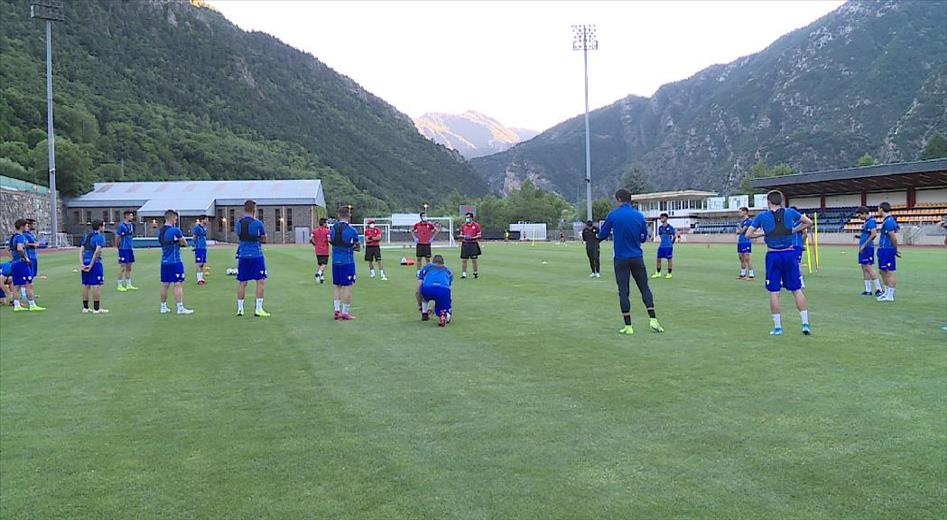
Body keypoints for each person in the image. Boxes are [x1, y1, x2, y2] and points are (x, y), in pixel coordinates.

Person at [743, 190, 813, 336]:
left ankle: (778, 327)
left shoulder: (762, 216)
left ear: (768, 202)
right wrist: (793, 230)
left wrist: (764, 233)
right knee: (796, 289)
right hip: (789, 253)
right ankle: (805, 324)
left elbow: (748, 235)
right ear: (781, 200)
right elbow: (808, 222)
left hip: (773, 254)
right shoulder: (790, 213)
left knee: (774, 291)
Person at [597, 189, 664, 335]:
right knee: (644, 288)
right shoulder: (639, 216)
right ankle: (653, 320)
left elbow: (602, 235)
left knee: (624, 292)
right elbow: (642, 237)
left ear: (619, 199)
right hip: (636, 256)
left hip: (621, 258)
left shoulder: (613, 215)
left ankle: (628, 326)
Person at [234, 199, 269, 317]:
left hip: (243, 254)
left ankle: (240, 309)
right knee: (260, 281)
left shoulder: (239, 223)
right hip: (256, 254)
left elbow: (239, 236)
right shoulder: (258, 224)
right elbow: (264, 238)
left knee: (242, 282)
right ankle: (258, 309)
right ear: (254, 209)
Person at [158, 209, 194, 315]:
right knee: (178, 284)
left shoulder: (161, 231)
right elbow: (184, 243)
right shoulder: (175, 230)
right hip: (175, 261)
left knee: (165, 284)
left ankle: (163, 307)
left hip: (164, 261)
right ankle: (180, 308)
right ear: (173, 218)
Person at [7, 219, 44, 312]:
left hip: (15, 263)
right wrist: (25, 258)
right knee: (29, 284)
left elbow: (9, 249)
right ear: (22, 226)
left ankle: (17, 305)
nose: (27, 227)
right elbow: (19, 248)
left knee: (16, 285)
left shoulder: (13, 237)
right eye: (26, 226)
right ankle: (32, 305)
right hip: (21, 263)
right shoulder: (20, 237)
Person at [330, 206, 360, 320]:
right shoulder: (352, 230)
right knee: (348, 286)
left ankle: (336, 311)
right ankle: (345, 312)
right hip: (347, 261)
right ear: (349, 215)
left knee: (337, 286)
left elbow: (331, 240)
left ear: (338, 215)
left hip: (335, 261)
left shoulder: (333, 228)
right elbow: (357, 246)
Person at [79, 219, 108, 314]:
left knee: (86, 285)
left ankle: (85, 308)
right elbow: (97, 251)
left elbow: (81, 250)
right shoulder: (100, 237)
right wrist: (91, 265)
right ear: (100, 226)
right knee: (96, 285)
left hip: (85, 261)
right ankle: (96, 308)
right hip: (95, 263)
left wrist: (82, 263)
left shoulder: (87, 236)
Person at [417, 254, 454, 327]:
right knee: (444, 306)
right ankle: (444, 315)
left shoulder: (426, 267)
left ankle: (424, 313)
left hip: (427, 289)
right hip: (443, 290)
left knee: (424, 296)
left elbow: (418, 289)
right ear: (443, 263)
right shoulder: (449, 271)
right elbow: (447, 290)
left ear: (432, 262)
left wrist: (419, 305)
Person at [854, 206, 883, 296]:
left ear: (864, 213)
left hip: (867, 247)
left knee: (869, 267)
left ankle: (879, 289)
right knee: (864, 268)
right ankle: (868, 290)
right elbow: (867, 234)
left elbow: (873, 234)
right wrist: (859, 237)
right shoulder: (867, 222)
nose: (859, 217)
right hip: (863, 247)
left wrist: (864, 245)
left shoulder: (871, 221)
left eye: (859, 215)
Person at [876, 202, 900, 302]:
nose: (878, 210)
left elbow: (893, 237)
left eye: (878, 208)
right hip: (883, 249)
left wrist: (895, 249)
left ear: (881, 209)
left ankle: (890, 295)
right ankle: (886, 292)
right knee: (882, 271)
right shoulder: (887, 220)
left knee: (889, 272)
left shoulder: (889, 221)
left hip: (887, 249)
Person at [115, 210, 139, 291]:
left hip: (129, 248)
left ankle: (129, 284)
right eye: (131, 216)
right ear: (126, 216)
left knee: (129, 267)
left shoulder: (131, 225)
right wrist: (118, 246)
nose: (132, 217)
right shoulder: (122, 226)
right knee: (122, 267)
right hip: (123, 249)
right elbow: (117, 237)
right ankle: (119, 285)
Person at [458, 212, 482, 279]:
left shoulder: (476, 225)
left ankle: (475, 273)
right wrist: (464, 237)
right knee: (464, 260)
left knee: (474, 260)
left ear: (471, 218)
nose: (467, 219)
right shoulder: (463, 225)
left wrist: (472, 238)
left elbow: (479, 235)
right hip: (465, 244)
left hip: (473, 244)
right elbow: (461, 234)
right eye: (466, 217)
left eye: (468, 217)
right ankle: (464, 274)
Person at [652, 213, 675, 279]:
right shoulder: (660, 228)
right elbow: (661, 236)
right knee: (658, 259)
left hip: (668, 246)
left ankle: (669, 273)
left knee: (669, 260)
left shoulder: (670, 228)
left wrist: (671, 243)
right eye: (661, 218)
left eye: (662, 217)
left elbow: (674, 236)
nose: (661, 219)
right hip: (661, 246)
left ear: (666, 218)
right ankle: (658, 273)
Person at [790, 206, 809, 287]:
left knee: (797, 264)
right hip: (789, 246)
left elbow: (805, 234)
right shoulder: (789, 222)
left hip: (797, 246)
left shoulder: (800, 222)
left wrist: (802, 243)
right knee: (788, 263)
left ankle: (800, 281)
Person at [735, 207, 755, 280]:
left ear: (745, 212)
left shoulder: (749, 221)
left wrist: (739, 227)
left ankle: (751, 274)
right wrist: (739, 229)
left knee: (747, 258)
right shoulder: (742, 221)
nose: (739, 213)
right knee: (741, 257)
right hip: (741, 241)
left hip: (746, 241)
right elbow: (738, 232)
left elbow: (743, 231)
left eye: (740, 212)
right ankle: (742, 274)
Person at [311, 218, 330, 284]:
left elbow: (312, 239)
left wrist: (315, 244)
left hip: (317, 250)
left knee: (320, 264)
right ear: (324, 223)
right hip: (324, 250)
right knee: (324, 264)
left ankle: (321, 279)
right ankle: (318, 273)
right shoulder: (327, 231)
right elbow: (329, 239)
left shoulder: (314, 231)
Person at [192, 217, 208, 285]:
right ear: (202, 220)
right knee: (199, 263)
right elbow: (194, 237)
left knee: (202, 264)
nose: (207, 221)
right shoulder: (197, 228)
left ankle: (201, 278)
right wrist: (196, 245)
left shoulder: (203, 227)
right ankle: (199, 279)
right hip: (199, 248)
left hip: (203, 247)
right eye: (206, 219)